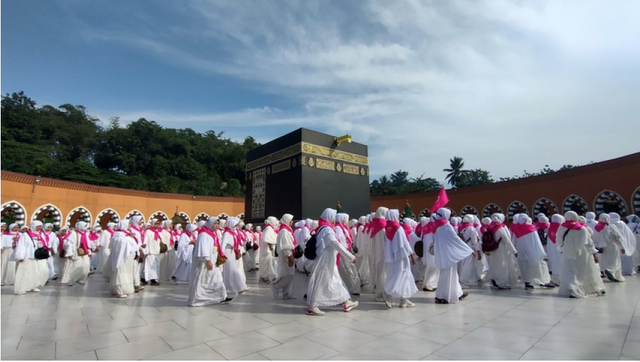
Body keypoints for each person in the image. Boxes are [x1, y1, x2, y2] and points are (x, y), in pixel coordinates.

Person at [306, 208, 359, 316]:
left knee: (335, 281)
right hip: (326, 261)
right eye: (334, 216)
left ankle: (346, 302)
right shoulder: (327, 230)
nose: (335, 219)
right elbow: (336, 245)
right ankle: (312, 306)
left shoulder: (324, 228)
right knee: (322, 281)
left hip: (328, 260)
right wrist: (350, 257)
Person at [556, 211, 606, 298]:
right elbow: (589, 243)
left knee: (570, 270)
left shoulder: (562, 228)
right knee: (584, 271)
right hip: (583, 253)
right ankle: (589, 288)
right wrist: (594, 253)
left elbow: (559, 240)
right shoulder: (582, 228)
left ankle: (571, 288)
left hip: (568, 252)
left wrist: (561, 248)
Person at [188, 217, 231, 306]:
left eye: (217, 224)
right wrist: (207, 260)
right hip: (205, 263)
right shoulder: (203, 234)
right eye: (214, 223)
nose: (216, 226)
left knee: (217, 279)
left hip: (213, 261)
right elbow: (202, 248)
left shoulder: (212, 234)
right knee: (203, 280)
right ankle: (197, 299)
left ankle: (222, 296)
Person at [432, 208, 473, 304]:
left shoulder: (437, 226)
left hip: (443, 254)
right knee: (447, 275)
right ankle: (442, 296)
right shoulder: (446, 226)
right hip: (448, 255)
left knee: (452, 275)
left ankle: (458, 293)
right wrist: (468, 249)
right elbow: (456, 239)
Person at [383, 209, 418, 308]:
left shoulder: (387, 227)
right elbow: (405, 243)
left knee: (397, 275)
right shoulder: (398, 227)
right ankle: (388, 294)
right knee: (402, 275)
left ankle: (404, 299)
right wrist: (412, 255)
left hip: (392, 257)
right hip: (401, 256)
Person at [511, 214, 554, 290]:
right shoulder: (531, 228)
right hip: (533, 252)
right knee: (538, 266)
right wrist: (543, 254)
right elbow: (537, 242)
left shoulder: (516, 228)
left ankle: (527, 282)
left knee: (524, 266)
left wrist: (514, 250)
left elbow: (513, 240)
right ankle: (542, 281)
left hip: (521, 252)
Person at [484, 213, 518, 290]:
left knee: (494, 265)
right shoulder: (500, 228)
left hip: (492, 249)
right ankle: (502, 283)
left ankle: (494, 278)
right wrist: (514, 251)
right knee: (502, 266)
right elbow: (507, 240)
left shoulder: (489, 227)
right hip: (500, 249)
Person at [13, 222, 44, 295]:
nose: (39, 228)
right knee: (24, 272)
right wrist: (20, 256)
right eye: (38, 226)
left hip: (35, 256)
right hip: (27, 256)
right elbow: (21, 245)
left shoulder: (39, 234)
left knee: (35, 272)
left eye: (40, 226)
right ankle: (21, 288)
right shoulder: (25, 235)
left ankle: (33, 286)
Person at [221, 217, 249, 297]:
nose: (236, 227)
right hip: (227, 252)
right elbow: (223, 244)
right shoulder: (227, 233)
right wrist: (222, 254)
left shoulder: (232, 233)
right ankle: (237, 286)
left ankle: (239, 286)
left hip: (232, 252)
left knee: (233, 269)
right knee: (230, 269)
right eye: (234, 226)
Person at [592, 213, 625, 282]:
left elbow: (594, 238)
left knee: (606, 261)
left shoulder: (596, 227)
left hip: (602, 247)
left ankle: (608, 272)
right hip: (613, 246)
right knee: (615, 260)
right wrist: (622, 247)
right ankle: (611, 271)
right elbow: (618, 237)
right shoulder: (611, 226)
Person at [109, 220, 137, 298]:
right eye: (128, 224)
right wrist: (129, 238)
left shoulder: (125, 234)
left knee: (126, 274)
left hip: (127, 258)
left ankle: (123, 289)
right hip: (121, 258)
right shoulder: (118, 235)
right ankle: (119, 291)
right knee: (120, 273)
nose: (130, 225)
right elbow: (120, 243)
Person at [335, 213, 362, 295]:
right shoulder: (338, 228)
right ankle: (350, 288)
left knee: (350, 271)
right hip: (343, 254)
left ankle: (353, 288)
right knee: (347, 271)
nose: (346, 221)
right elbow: (340, 242)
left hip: (347, 252)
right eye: (344, 219)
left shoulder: (344, 228)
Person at [272, 213, 297, 300]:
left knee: (288, 272)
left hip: (289, 254)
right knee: (289, 274)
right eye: (291, 220)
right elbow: (286, 246)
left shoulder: (287, 230)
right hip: (286, 255)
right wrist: (289, 257)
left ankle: (287, 293)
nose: (292, 222)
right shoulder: (284, 232)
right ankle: (277, 286)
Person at [61, 221, 92, 286]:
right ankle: (70, 280)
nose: (86, 227)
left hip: (85, 252)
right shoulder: (74, 234)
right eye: (84, 226)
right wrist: (69, 253)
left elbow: (88, 243)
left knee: (85, 267)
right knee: (74, 266)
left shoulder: (86, 233)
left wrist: (89, 251)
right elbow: (70, 244)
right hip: (75, 252)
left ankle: (80, 278)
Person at [369, 207, 389, 306]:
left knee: (379, 273)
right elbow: (385, 240)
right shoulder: (382, 224)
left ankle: (380, 292)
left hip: (377, 252)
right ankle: (382, 294)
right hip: (382, 252)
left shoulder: (375, 224)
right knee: (382, 273)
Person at [458, 215, 482, 285]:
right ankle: (465, 278)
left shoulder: (461, 228)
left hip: (463, 247)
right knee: (469, 263)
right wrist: (478, 251)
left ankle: (473, 277)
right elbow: (475, 241)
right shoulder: (471, 229)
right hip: (470, 248)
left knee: (466, 263)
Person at [142, 219, 163, 286]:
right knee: (149, 266)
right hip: (150, 251)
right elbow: (145, 241)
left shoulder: (158, 232)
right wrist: (145, 251)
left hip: (156, 251)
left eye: (158, 224)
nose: (157, 225)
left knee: (155, 266)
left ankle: (154, 278)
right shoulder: (148, 231)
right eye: (155, 224)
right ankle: (151, 279)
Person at [421, 215, 439, 292]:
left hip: (426, 251)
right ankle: (429, 284)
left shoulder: (425, 227)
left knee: (429, 268)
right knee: (434, 268)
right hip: (433, 252)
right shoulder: (434, 228)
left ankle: (427, 283)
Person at [258, 217, 278, 284]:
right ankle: (264, 277)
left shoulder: (268, 228)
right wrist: (270, 245)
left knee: (268, 263)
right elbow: (267, 238)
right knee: (266, 263)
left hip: (267, 249)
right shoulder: (269, 228)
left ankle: (266, 277)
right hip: (267, 249)